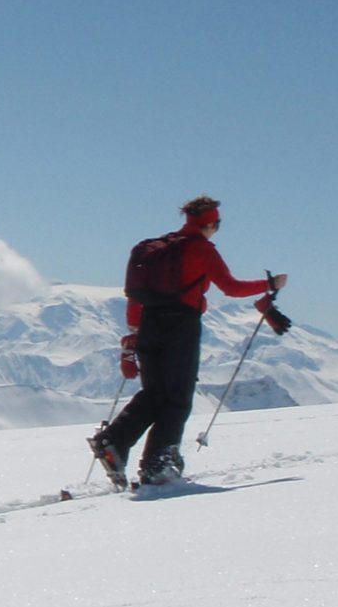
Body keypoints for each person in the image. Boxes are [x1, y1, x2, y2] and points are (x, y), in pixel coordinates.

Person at [91, 197, 287, 489]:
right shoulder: (200, 249)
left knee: (154, 393)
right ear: (210, 223)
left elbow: (136, 296)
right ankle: (159, 465)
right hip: (181, 325)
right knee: (178, 398)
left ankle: (113, 441)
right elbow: (231, 287)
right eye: (216, 225)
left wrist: (134, 331)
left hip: (149, 324)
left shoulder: (156, 249)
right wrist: (269, 285)